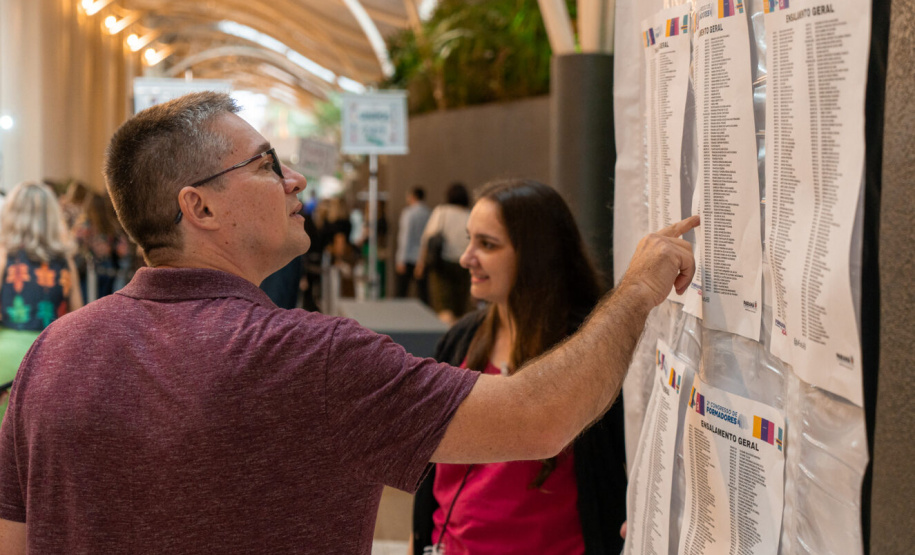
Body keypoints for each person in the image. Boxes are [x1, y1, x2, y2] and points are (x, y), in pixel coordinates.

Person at [0, 92, 698, 554]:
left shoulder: (53, 353)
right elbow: (539, 417)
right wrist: (638, 286)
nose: (295, 179)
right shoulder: (309, 357)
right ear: (199, 208)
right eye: (267, 165)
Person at [411, 179, 627, 554]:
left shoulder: (586, 350)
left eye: (487, 245)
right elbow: (431, 469)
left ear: (535, 255)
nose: (466, 258)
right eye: (469, 240)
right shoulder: (461, 339)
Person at [0, 181, 83, 423]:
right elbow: (78, 321)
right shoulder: (66, 262)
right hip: (50, 361)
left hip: (5, 357)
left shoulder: (4, 255)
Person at [416, 182, 472, 323]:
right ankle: (458, 341)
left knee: (443, 306)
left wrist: (421, 263)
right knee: (460, 309)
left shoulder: (442, 211)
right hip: (464, 265)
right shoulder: (470, 214)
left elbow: (427, 238)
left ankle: (447, 342)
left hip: (442, 264)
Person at [395, 186, 431, 301]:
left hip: (408, 256)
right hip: (422, 257)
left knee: (401, 291)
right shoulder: (428, 213)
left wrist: (401, 259)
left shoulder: (409, 213)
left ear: (412, 196)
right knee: (423, 292)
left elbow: (405, 236)